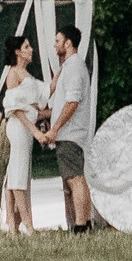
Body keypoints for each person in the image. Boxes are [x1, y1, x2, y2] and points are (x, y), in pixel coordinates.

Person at [38, 24, 96, 234]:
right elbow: (64, 102)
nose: (54, 46)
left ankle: (81, 226)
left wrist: (55, 128)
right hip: (71, 132)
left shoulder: (73, 67)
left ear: (68, 43)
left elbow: (72, 102)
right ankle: (84, 223)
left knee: (75, 178)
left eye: (57, 41)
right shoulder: (72, 67)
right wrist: (45, 115)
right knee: (75, 178)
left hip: (70, 133)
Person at [0, 35, 46, 235]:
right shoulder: (13, 74)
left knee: (19, 173)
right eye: (27, 46)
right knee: (18, 173)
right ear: (18, 51)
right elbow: (15, 108)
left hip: (26, 127)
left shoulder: (26, 74)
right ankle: (27, 224)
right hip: (19, 127)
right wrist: (33, 130)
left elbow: (36, 104)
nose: (31, 49)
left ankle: (12, 225)